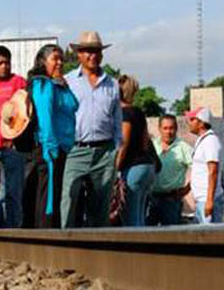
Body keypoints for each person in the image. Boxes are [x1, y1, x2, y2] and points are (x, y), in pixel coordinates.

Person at [63, 31, 121, 228]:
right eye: (87, 51)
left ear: (102, 54)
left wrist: (116, 150)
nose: (92, 56)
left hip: (104, 151)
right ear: (79, 54)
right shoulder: (68, 81)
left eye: (95, 51)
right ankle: (65, 245)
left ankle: (97, 250)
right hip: (75, 149)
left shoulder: (112, 84)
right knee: (68, 201)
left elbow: (117, 120)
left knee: (100, 206)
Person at [28, 44, 76, 228]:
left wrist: (64, 85)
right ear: (43, 61)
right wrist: (50, 147)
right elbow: (44, 117)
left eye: (61, 58)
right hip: (50, 149)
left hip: (62, 148)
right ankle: (45, 234)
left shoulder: (57, 85)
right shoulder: (42, 84)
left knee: (55, 195)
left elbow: (73, 104)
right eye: (55, 58)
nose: (60, 62)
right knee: (47, 198)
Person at [0, 45, 28, 228]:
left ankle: (14, 230)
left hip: (12, 149)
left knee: (13, 194)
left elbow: (27, 113)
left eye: (7, 63)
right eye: (0, 63)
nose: (4, 67)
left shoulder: (19, 83)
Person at [115, 75, 157, 227]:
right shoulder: (139, 112)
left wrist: (116, 167)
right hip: (147, 166)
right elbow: (146, 142)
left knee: (130, 216)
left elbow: (123, 143)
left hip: (132, 167)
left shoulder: (124, 113)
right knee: (140, 214)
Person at [150, 115, 193, 226]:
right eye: (165, 128)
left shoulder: (184, 148)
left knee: (170, 236)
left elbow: (199, 170)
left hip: (172, 200)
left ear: (176, 129)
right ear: (159, 129)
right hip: (151, 198)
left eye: (171, 128)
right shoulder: (152, 145)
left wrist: (187, 189)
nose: (169, 132)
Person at [186, 107, 224, 223]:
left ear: (201, 123)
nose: (189, 122)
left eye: (193, 119)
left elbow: (212, 171)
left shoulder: (210, 141)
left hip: (207, 199)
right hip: (201, 200)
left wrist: (209, 200)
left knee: (211, 237)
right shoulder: (202, 140)